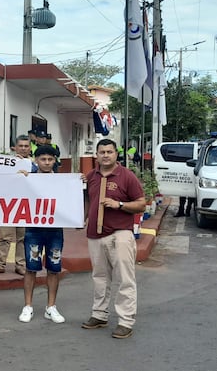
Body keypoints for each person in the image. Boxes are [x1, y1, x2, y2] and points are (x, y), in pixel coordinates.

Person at [83, 138, 146, 339]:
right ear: (97, 155)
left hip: (120, 233)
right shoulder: (91, 176)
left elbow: (141, 204)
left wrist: (119, 204)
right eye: (102, 152)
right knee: (99, 277)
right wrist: (81, 219)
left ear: (116, 154)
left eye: (109, 152)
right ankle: (99, 314)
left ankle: (125, 321)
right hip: (95, 234)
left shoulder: (127, 176)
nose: (106, 155)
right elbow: (86, 201)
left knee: (125, 278)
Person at [18, 145, 66, 324]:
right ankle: (28, 306)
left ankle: (50, 307)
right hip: (33, 229)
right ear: (36, 160)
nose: (46, 163)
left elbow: (73, 198)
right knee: (31, 268)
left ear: (55, 161)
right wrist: (19, 179)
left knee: (54, 268)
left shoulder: (64, 180)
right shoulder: (27, 178)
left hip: (55, 231)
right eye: (43, 159)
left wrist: (80, 180)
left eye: (50, 159)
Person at [0, 135, 28, 276]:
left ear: (29, 148)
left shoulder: (34, 165)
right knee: (5, 237)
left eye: (26, 146)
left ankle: (20, 265)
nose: (23, 148)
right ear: (15, 147)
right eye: (21, 146)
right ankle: (0, 264)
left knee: (22, 238)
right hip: (7, 205)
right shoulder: (4, 163)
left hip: (25, 206)